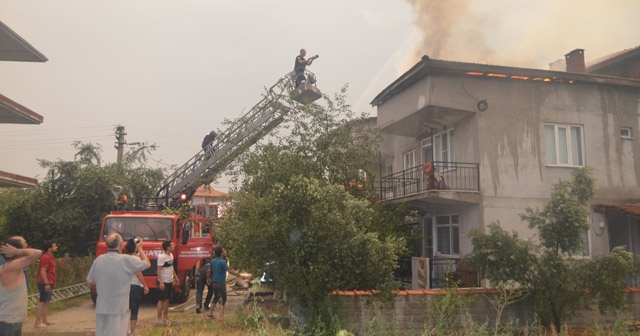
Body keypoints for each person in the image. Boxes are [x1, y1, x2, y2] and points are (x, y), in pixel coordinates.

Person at [86, 233, 150, 336]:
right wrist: (140, 249)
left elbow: (90, 280)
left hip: (102, 306)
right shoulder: (126, 260)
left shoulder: (99, 260)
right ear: (120, 245)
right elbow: (146, 264)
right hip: (118, 307)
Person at [0, 236, 42, 335]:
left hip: (7, 320)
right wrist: (18, 251)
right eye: (25, 245)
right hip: (9, 322)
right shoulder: (12, 267)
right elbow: (37, 253)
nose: (27, 248)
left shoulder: (5, 267)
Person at [206, 246, 239, 324]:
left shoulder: (213, 261)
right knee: (223, 299)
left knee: (216, 297)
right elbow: (229, 271)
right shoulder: (222, 262)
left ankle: (210, 312)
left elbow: (209, 271)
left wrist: (208, 279)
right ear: (221, 253)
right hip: (220, 283)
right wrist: (239, 274)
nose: (225, 251)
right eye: (224, 250)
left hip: (214, 282)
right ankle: (221, 317)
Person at [125, 238, 149, 335]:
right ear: (135, 248)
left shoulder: (124, 258)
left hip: (125, 287)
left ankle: (123, 330)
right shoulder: (136, 259)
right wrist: (145, 285)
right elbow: (140, 272)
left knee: (124, 310)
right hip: (135, 286)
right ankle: (132, 331)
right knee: (134, 311)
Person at [35, 240, 58, 329]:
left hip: (50, 281)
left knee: (46, 302)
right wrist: (46, 283)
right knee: (42, 302)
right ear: (49, 248)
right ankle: (37, 322)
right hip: (45, 282)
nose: (56, 247)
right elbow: (43, 271)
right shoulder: (46, 257)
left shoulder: (51, 257)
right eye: (54, 246)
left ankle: (45, 320)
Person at [156, 241, 178, 324]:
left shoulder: (171, 255)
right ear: (168, 247)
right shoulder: (162, 257)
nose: (174, 246)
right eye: (172, 245)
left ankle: (166, 317)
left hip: (169, 280)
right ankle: (159, 318)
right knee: (161, 299)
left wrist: (175, 277)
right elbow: (158, 270)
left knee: (167, 299)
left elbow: (171, 267)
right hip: (163, 280)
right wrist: (161, 282)